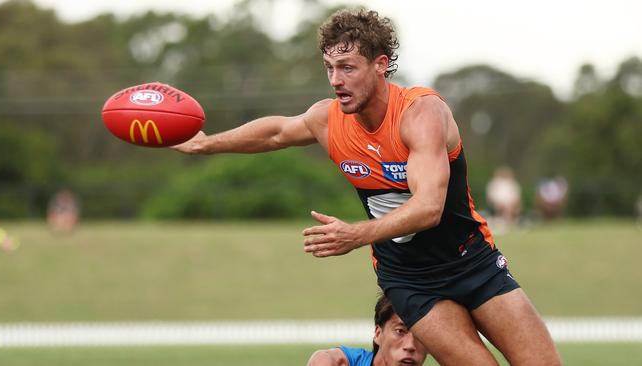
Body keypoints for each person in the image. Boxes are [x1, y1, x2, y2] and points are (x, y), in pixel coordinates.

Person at [173, 8, 561, 365]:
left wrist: (355, 235)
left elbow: (428, 208)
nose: (336, 81)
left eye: (347, 67)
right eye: (329, 67)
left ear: (380, 65)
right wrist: (206, 143)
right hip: (410, 281)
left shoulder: (421, 114)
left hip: (472, 261)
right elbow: (275, 133)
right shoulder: (328, 120)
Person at [307, 294, 427, 366]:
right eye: (400, 331)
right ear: (378, 334)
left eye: (420, 334)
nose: (410, 346)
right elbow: (322, 359)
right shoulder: (351, 362)